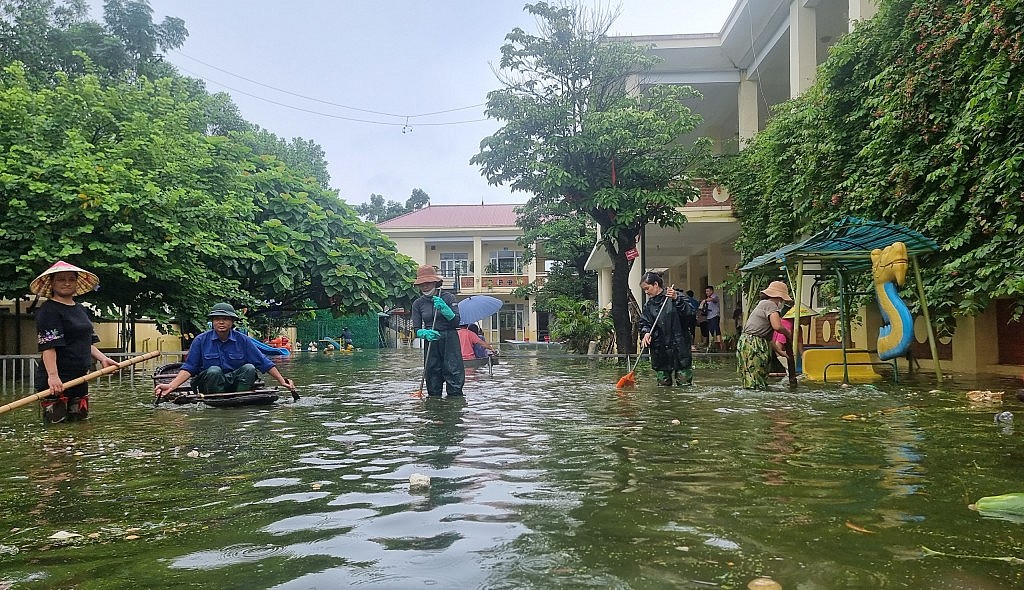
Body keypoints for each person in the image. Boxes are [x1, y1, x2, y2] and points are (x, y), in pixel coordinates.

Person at [31, 261, 118, 423]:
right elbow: (48, 347)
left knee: (80, 423)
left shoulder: (81, 310)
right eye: (61, 279)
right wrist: (53, 377)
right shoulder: (48, 310)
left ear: (77, 283)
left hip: (79, 377)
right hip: (57, 379)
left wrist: (103, 359)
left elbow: (88, 343)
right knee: (57, 428)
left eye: (71, 279)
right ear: (52, 283)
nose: (67, 283)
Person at [154, 303, 296, 397]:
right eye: (217, 319)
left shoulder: (243, 340)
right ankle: (217, 399)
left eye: (225, 319)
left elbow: (264, 363)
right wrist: (171, 386)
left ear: (232, 322)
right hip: (210, 384)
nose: (221, 322)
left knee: (249, 368)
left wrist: (281, 381)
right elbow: (189, 368)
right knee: (214, 371)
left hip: (235, 383)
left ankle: (240, 398)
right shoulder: (201, 340)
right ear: (212, 322)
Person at [411, 265, 464, 396]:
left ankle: (454, 407)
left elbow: (456, 322)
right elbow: (416, 328)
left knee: (454, 374)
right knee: (432, 375)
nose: (425, 287)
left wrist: (446, 310)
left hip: (450, 339)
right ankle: (434, 408)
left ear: (435, 282)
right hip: (431, 341)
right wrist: (423, 333)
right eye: (422, 284)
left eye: (428, 283)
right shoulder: (418, 304)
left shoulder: (448, 298)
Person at [637, 272, 694, 386]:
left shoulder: (676, 296)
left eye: (647, 288)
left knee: (684, 384)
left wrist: (677, 299)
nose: (646, 292)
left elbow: (691, 314)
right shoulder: (649, 305)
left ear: (656, 284)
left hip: (679, 346)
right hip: (660, 349)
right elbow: (645, 322)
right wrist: (646, 333)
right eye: (644, 290)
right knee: (663, 385)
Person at [737, 281, 793, 390]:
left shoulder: (763, 304)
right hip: (754, 344)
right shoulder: (770, 305)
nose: (782, 303)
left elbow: (768, 338)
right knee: (756, 375)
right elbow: (777, 326)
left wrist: (780, 352)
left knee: (751, 376)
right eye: (782, 300)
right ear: (779, 297)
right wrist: (788, 333)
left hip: (748, 342)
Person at [702, 285, 723, 352]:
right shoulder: (707, 299)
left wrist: (704, 301)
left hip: (715, 315)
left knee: (716, 328)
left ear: (712, 291)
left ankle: (720, 344)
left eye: (708, 291)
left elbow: (713, 300)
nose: (706, 292)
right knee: (711, 329)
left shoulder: (714, 296)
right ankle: (714, 344)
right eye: (706, 291)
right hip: (709, 316)